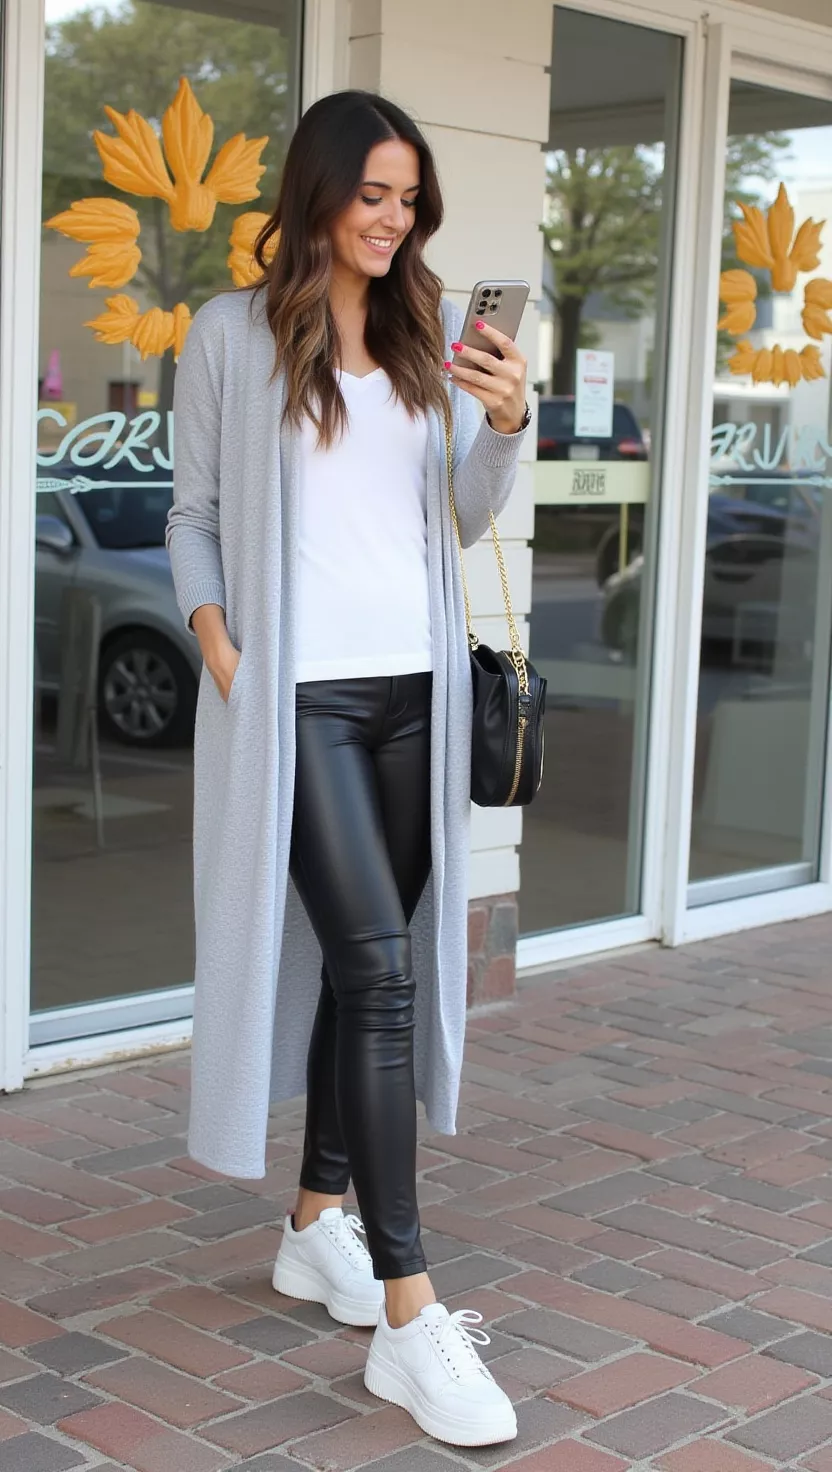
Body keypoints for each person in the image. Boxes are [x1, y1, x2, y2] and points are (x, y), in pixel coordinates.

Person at [166, 89, 528, 1449]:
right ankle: (409, 1314)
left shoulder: (427, 332)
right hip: (299, 703)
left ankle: (318, 1219)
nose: (392, 218)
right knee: (380, 971)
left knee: (356, 966)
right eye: (372, 193)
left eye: (408, 198)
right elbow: (192, 517)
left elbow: (461, 516)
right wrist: (226, 656)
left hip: (417, 699)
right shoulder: (230, 335)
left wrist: (505, 424)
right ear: (317, 191)